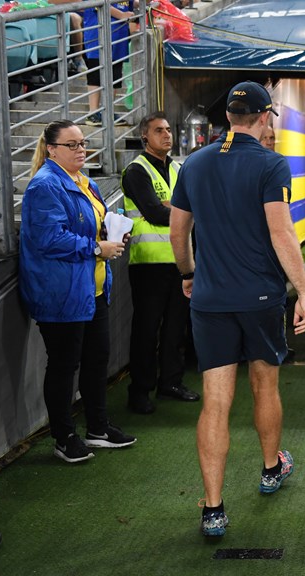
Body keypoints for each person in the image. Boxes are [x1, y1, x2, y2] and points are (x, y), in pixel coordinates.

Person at [169, 81, 305, 537]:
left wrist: (189, 274)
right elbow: (281, 233)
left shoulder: (194, 162)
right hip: (261, 298)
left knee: (215, 402)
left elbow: (178, 233)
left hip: (210, 300)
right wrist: (303, 290)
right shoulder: (271, 165)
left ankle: (213, 509)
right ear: (265, 117)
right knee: (265, 385)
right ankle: (271, 469)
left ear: (229, 117)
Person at [19, 120, 136, 463]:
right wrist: (98, 248)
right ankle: (64, 436)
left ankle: (97, 427)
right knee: (63, 365)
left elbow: (92, 225)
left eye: (83, 143)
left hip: (91, 289)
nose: (81, 150)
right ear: (51, 149)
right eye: (72, 145)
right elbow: (49, 239)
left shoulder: (86, 182)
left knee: (96, 360)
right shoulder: (44, 186)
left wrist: (112, 236)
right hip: (61, 292)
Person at [121, 111, 200, 414]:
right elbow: (154, 213)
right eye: (158, 131)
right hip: (149, 265)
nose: (166, 135)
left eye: (168, 130)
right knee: (146, 329)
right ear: (145, 136)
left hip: (181, 262)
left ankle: (170, 382)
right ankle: (139, 391)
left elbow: (194, 204)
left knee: (175, 328)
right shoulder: (136, 171)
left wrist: (175, 207)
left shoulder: (180, 169)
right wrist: (183, 209)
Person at [83, 1, 134, 126]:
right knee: (96, 73)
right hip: (98, 33)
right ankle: (93, 112)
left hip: (119, 36)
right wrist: (122, 15)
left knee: (115, 75)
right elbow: (97, 3)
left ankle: (108, 111)